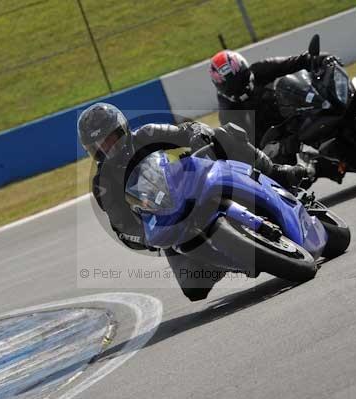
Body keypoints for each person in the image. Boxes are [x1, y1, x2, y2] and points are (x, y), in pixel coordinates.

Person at [77, 102, 306, 301]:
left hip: (193, 183)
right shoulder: (103, 183)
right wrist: (145, 237)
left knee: (225, 135)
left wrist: (198, 134)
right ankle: (235, 255)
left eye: (110, 140)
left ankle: (277, 172)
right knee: (194, 288)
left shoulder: (147, 134)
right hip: (166, 218)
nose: (108, 149)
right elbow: (122, 225)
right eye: (99, 147)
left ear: (123, 130)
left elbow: (187, 130)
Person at [209, 49, 345, 183]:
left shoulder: (259, 70)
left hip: (293, 116)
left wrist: (321, 59)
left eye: (244, 78)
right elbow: (243, 149)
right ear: (223, 88)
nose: (245, 87)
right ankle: (315, 168)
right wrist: (273, 149)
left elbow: (295, 62)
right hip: (273, 143)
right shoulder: (229, 113)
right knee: (288, 177)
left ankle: (339, 143)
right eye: (236, 87)